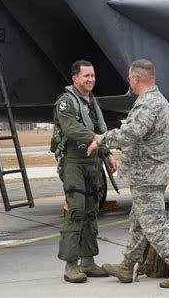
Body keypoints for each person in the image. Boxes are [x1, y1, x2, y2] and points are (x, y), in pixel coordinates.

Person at [87, 59, 169, 288]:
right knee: (139, 221)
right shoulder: (159, 101)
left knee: (153, 224)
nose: (129, 82)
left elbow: (131, 133)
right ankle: (127, 266)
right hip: (151, 172)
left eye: (129, 78)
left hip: (147, 174)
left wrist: (101, 140)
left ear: (135, 78)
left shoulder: (148, 104)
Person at [53, 60, 117, 283]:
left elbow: (100, 128)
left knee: (91, 211)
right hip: (74, 162)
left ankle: (88, 262)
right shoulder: (66, 102)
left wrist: (107, 154)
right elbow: (71, 128)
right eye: (86, 76)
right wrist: (96, 139)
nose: (91, 79)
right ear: (75, 79)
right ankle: (71, 265)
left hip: (92, 162)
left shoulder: (92, 102)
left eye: (93, 75)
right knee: (76, 211)